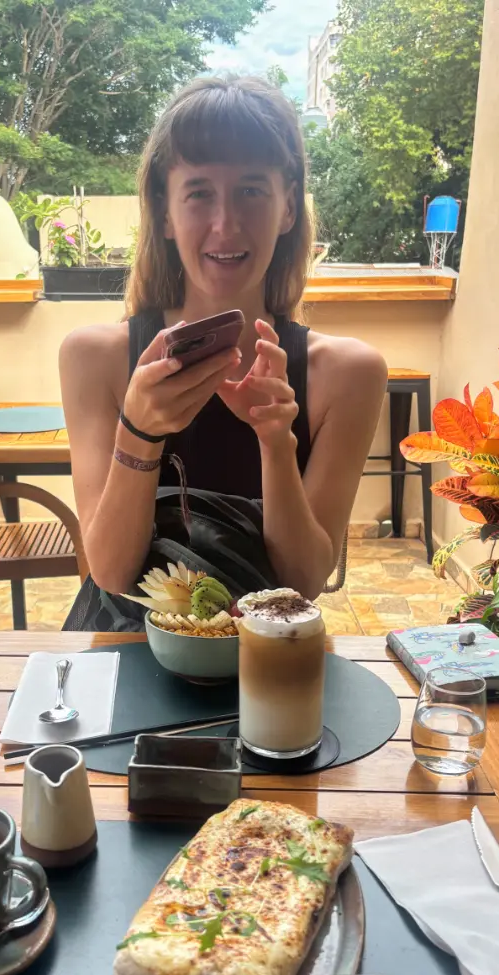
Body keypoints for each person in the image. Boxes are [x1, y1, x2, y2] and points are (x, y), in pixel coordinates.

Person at [60, 75, 386, 627]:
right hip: (126, 658)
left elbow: (304, 581)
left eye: (252, 190)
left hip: (265, 663)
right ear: (164, 213)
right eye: (200, 193)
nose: (225, 223)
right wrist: (139, 430)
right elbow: (112, 573)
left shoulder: (348, 374)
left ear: (288, 208)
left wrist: (277, 440)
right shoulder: (98, 360)